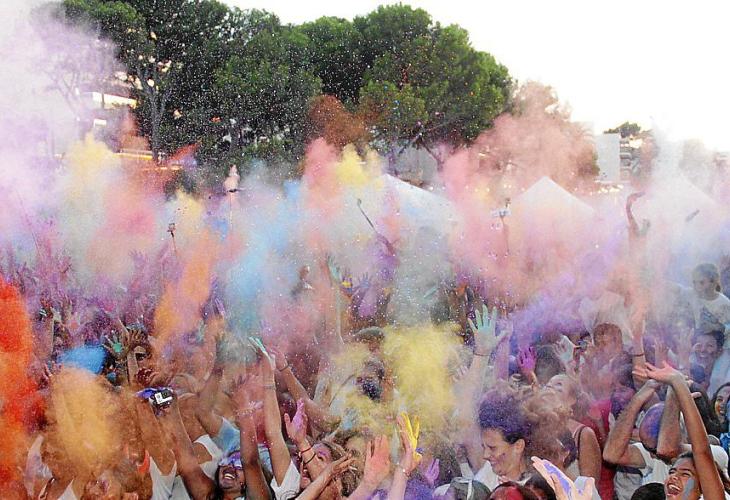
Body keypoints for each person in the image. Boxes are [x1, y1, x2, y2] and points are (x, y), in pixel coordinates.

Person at [544, 374, 602, 482]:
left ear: (572, 400)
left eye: (558, 386)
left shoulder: (583, 434)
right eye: (548, 385)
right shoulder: (535, 427)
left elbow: (589, 486)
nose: (550, 388)